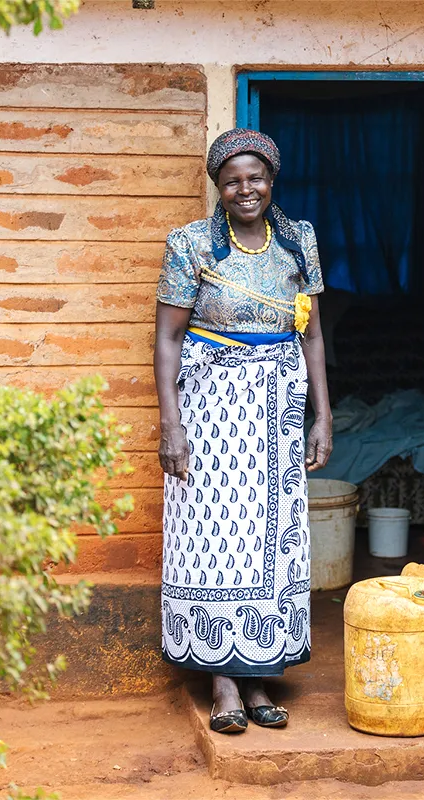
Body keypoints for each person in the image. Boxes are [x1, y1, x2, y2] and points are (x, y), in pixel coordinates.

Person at [153, 128, 332, 734]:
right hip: (212, 407)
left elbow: (311, 333)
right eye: (232, 180)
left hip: (278, 406)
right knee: (213, 534)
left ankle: (259, 672)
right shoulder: (190, 245)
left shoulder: (298, 240)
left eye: (254, 177)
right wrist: (171, 424)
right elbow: (169, 337)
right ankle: (222, 679)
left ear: (271, 180)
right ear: (217, 187)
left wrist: (322, 415)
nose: (244, 189)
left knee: (271, 535)